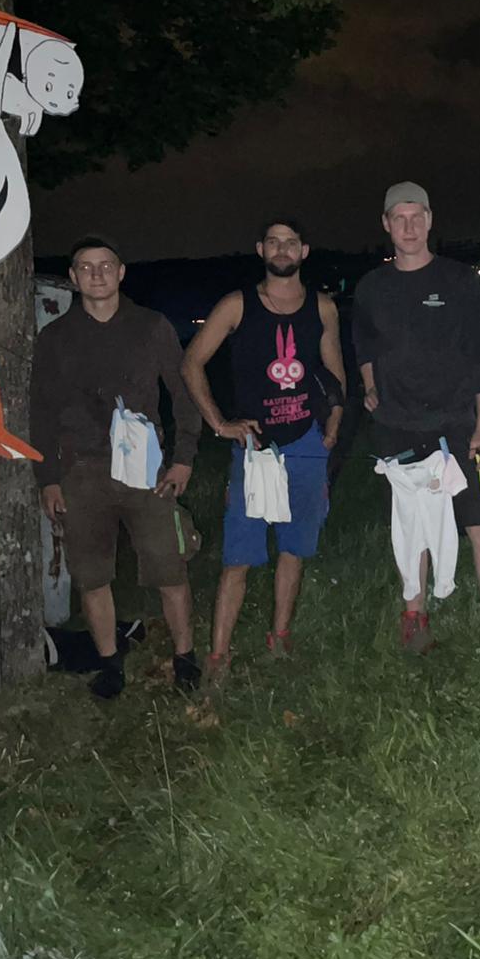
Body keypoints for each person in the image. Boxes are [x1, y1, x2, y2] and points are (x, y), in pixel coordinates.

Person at [352, 182, 480, 687]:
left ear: (431, 220)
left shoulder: (457, 281)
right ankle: (414, 620)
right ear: (386, 224)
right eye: (399, 218)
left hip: (457, 427)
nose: (409, 227)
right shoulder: (371, 287)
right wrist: (370, 387)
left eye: (417, 216)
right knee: (412, 525)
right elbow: (364, 346)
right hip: (397, 427)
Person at [30, 235, 203, 698]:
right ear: (73, 277)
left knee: (170, 566)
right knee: (91, 576)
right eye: (86, 267)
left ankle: (185, 658)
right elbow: (41, 413)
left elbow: (184, 392)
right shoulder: (55, 338)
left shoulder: (152, 326)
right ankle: (109, 664)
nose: (97, 274)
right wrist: (48, 479)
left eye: (106, 265)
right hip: (81, 472)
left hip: (147, 469)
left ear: (122, 272)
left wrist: (183, 458)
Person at [181, 218, 346, 679]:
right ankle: (218, 656)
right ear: (260, 249)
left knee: (294, 548)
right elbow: (192, 362)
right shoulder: (237, 305)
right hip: (254, 448)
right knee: (239, 555)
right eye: (273, 241)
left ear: (304, 251)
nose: (282, 249)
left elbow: (334, 372)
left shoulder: (323, 307)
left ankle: (280, 638)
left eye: (291, 242)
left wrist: (333, 424)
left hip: (307, 443)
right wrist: (220, 423)